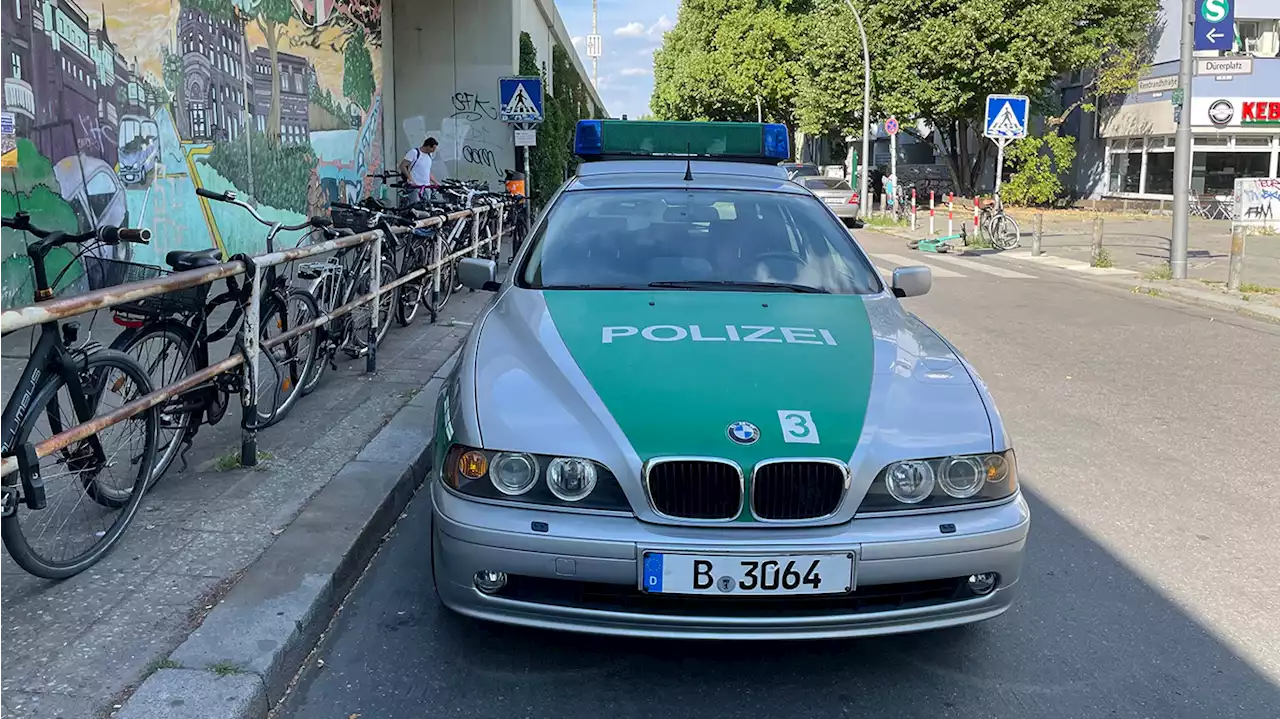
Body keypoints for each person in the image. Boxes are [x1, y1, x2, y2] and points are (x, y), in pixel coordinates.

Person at [398, 137, 438, 203]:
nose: (433, 150)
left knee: (427, 206)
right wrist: (410, 179)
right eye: (433, 148)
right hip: (415, 186)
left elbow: (427, 171)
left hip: (426, 187)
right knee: (415, 205)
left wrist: (435, 183)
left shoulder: (429, 155)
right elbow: (402, 166)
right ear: (428, 146)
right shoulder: (414, 153)